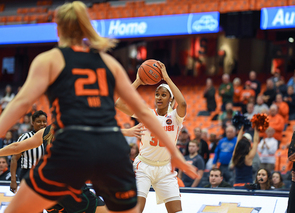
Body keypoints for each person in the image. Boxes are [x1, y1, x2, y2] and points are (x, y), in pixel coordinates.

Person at [0, 2, 197, 213]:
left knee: (16, 210)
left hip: (71, 146)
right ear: (87, 29)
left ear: (58, 30)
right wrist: (175, 154)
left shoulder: (48, 60)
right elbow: (140, 112)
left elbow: (21, 103)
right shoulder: (108, 62)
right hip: (109, 149)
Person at [115, 60, 195, 213]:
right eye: (157, 94)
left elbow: (183, 103)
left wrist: (166, 78)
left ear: (170, 99)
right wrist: (138, 81)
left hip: (166, 168)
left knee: (176, 211)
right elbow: (119, 103)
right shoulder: (147, 114)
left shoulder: (176, 117)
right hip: (144, 167)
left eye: (163, 95)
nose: (159, 97)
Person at [10, 110, 47, 193]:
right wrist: (13, 180)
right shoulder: (26, 137)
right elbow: (14, 159)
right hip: (28, 174)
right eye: (38, 121)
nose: (42, 124)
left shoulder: (51, 138)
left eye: (44, 121)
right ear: (32, 123)